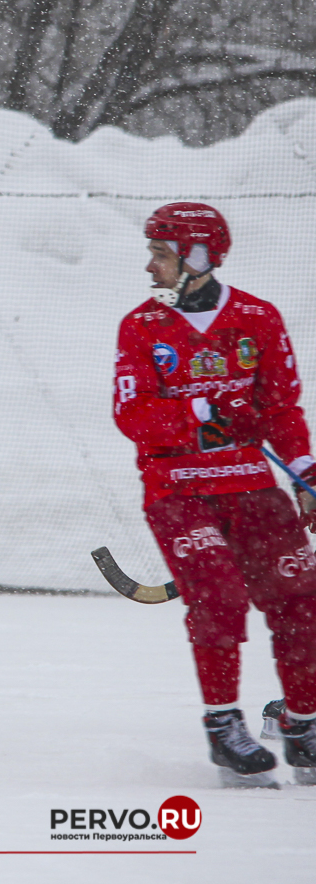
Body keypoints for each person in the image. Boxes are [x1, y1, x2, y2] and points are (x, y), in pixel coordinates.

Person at [113, 202, 316, 786]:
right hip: (178, 490)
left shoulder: (258, 318)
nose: (151, 265)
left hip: (253, 488)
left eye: (161, 253)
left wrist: (304, 473)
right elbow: (132, 413)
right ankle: (224, 726)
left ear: (198, 257)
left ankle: (303, 725)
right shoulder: (142, 326)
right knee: (221, 598)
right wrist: (204, 412)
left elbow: (281, 409)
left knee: (301, 599)